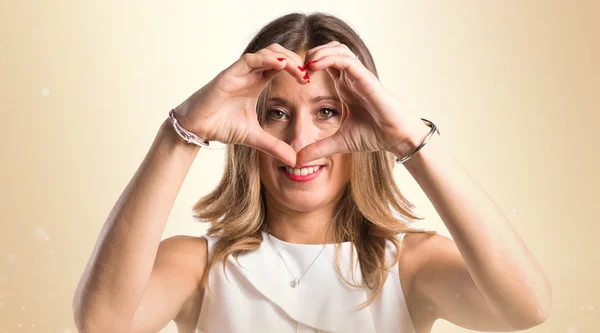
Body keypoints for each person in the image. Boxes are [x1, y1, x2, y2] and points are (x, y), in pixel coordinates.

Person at [72, 12, 552, 333]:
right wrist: (182, 132)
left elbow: (526, 307)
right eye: (276, 113)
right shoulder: (196, 266)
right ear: (247, 129)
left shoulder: (411, 265)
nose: (298, 142)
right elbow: (101, 324)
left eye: (327, 112)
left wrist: (412, 141)